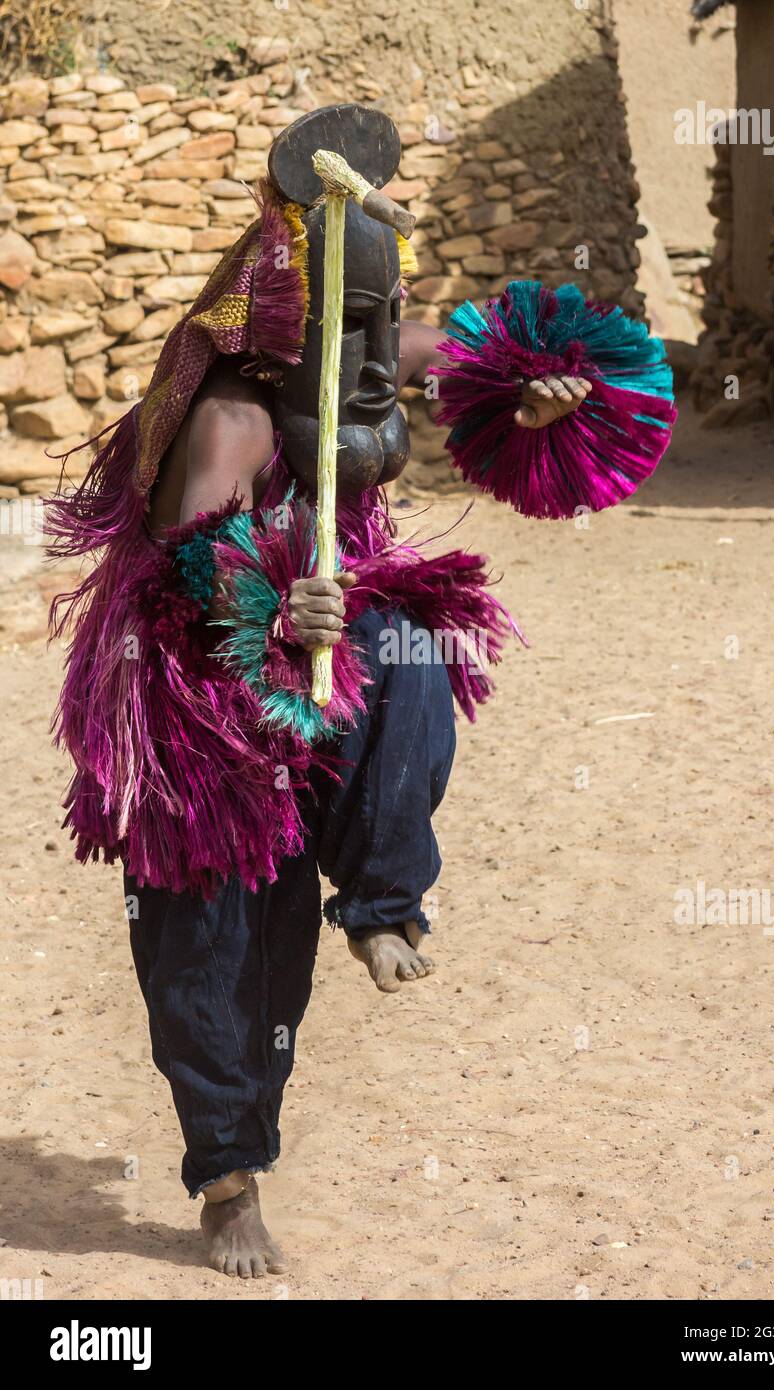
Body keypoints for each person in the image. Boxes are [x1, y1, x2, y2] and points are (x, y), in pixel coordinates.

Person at [47, 105, 674, 1276]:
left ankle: (383, 898)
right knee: (224, 947)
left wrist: (538, 390)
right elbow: (191, 591)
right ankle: (228, 1175)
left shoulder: (364, 349)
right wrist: (275, 609)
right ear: (292, 340)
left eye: (386, 322)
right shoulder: (235, 416)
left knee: (403, 643)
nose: (384, 353)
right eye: (358, 329)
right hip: (198, 706)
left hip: (317, 678)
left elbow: (463, 354)